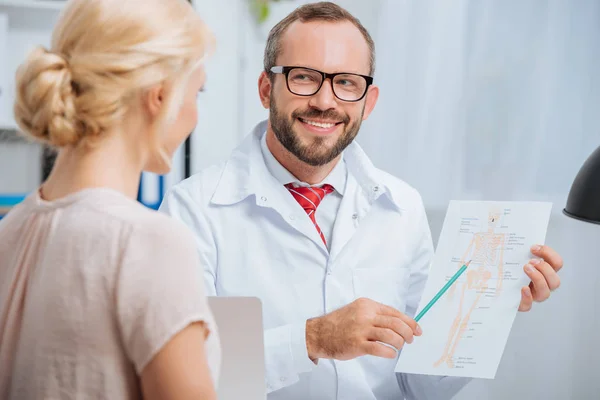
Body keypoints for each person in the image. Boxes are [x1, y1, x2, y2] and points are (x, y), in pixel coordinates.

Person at [159, 2, 564, 399]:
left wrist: (489, 307)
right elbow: (186, 376)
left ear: (368, 102)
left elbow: (419, 385)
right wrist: (312, 339)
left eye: (347, 82)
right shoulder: (192, 212)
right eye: (303, 78)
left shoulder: (402, 207)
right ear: (267, 89)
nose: (325, 101)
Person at [0, 0, 219, 399]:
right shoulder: (149, 243)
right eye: (197, 91)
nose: (194, 113)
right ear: (160, 95)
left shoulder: (10, 231)